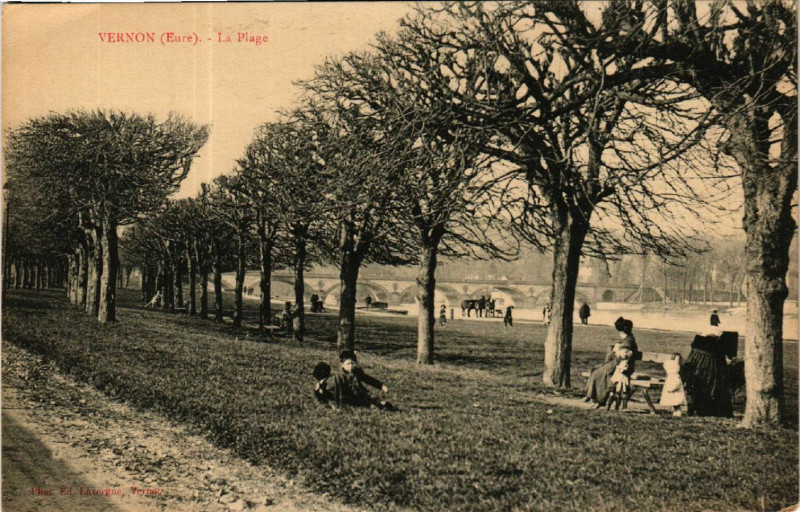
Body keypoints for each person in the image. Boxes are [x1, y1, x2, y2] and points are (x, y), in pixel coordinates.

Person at [584, 317, 638, 409]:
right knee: (596, 370)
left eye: (621, 332)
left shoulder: (629, 340)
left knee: (600, 374)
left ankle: (599, 400)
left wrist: (616, 349)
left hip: (623, 366)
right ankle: (593, 398)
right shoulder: (627, 340)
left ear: (622, 332)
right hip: (616, 363)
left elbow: (624, 354)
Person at [680, 327, 733, 417]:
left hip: (699, 367)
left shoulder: (698, 345)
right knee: (710, 388)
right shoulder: (716, 348)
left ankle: (699, 409)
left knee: (700, 388)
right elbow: (729, 357)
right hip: (710, 368)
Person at [313, 352, 392, 410]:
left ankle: (379, 403)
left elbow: (369, 380)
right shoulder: (339, 376)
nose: (351, 366)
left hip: (358, 393)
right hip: (344, 395)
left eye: (352, 363)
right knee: (362, 401)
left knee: (367, 397)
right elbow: (334, 385)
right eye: (348, 364)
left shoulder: (357, 373)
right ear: (342, 365)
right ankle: (375, 404)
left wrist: (381, 386)